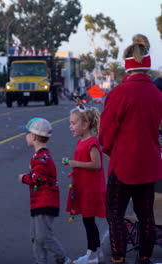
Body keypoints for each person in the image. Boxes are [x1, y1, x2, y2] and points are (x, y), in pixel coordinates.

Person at [99, 34, 162, 264]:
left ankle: (118, 258)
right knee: (146, 215)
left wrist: (108, 149)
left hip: (124, 164)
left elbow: (106, 131)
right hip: (150, 163)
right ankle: (144, 257)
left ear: (127, 64)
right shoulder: (157, 94)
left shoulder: (120, 93)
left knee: (115, 214)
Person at [18, 118, 72, 264]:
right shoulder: (38, 156)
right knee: (35, 236)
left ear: (34, 136)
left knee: (43, 235)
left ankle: (62, 258)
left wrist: (24, 178)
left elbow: (37, 178)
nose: (25, 136)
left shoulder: (43, 158)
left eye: (27, 133)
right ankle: (40, 261)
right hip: (37, 202)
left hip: (46, 202)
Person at [62, 102, 106, 264]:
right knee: (88, 220)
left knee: (89, 221)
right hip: (84, 186)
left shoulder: (92, 142)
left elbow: (96, 165)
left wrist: (75, 163)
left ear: (86, 124)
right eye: (70, 123)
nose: (70, 127)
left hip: (91, 189)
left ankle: (92, 255)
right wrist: (72, 162)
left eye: (73, 123)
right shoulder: (81, 142)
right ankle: (97, 251)